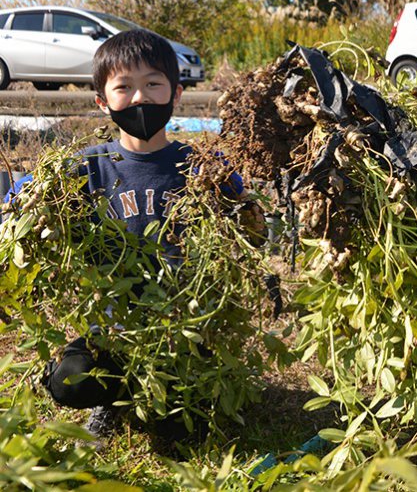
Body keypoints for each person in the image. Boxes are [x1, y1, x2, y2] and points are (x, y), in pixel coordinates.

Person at [4, 29, 246, 444]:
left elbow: (244, 209)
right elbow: (19, 199)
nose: (140, 99)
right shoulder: (86, 167)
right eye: (124, 87)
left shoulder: (201, 165)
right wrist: (21, 205)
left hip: (184, 323)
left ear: (176, 94)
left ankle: (169, 388)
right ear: (102, 101)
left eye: (153, 84)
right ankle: (109, 400)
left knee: (179, 432)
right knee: (69, 382)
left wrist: (244, 204)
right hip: (112, 327)